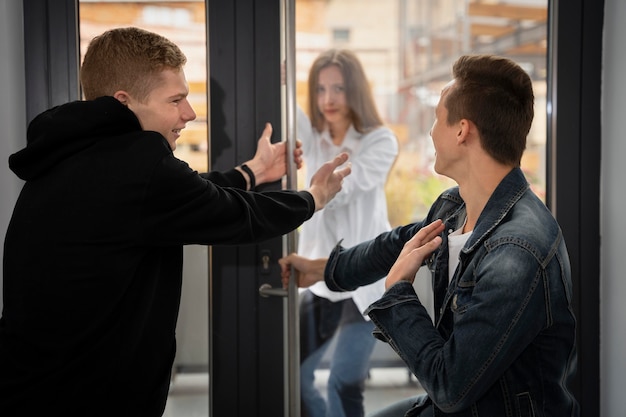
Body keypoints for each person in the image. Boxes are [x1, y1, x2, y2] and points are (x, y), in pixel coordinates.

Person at [0, 27, 351, 417]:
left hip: (35, 386)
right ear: (124, 102)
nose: (190, 113)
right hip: (87, 396)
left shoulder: (73, 154)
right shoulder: (139, 164)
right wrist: (314, 197)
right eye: (176, 100)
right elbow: (238, 215)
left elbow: (185, 194)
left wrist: (252, 172)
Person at [280, 54, 579, 416]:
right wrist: (324, 269)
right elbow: (395, 244)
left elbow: (450, 386)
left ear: (461, 130)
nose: (431, 131)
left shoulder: (515, 253)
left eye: (437, 118)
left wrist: (398, 294)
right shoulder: (458, 206)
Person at [295, 49, 398, 417]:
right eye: (320, 89)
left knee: (344, 381)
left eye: (338, 88)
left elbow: (346, 189)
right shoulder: (312, 139)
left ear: (355, 91)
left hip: (361, 279)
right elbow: (287, 113)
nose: (328, 99)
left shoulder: (380, 141)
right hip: (320, 278)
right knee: (295, 378)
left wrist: (317, 188)